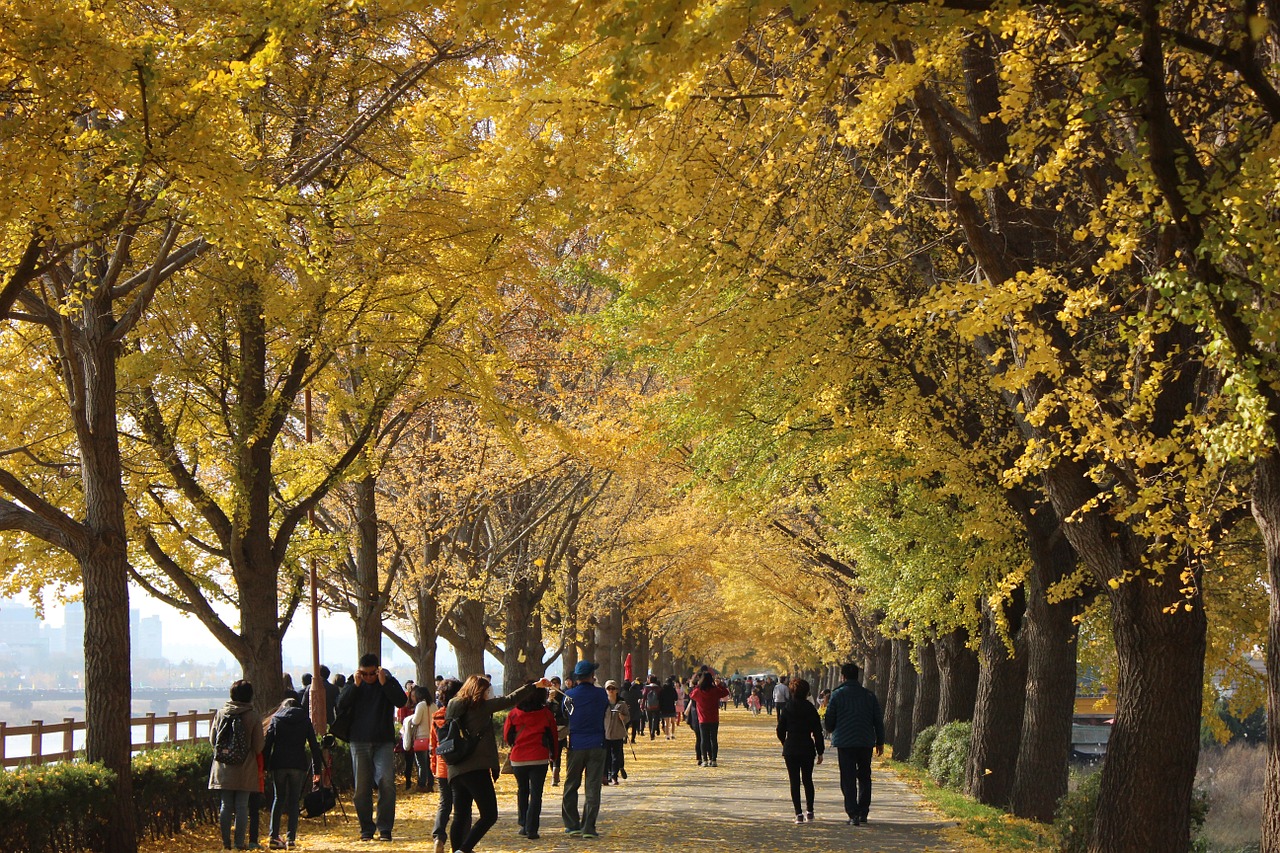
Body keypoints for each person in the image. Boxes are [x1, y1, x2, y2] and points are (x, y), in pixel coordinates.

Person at [445, 674, 554, 853]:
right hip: (475, 768)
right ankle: (463, 850)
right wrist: (536, 685)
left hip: (455, 767)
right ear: (480, 691)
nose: (489, 694)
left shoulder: (453, 706)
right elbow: (510, 699)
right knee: (489, 815)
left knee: (460, 815)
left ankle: (457, 849)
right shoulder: (480, 708)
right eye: (487, 690)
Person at [336, 653, 408, 842]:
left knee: (386, 782)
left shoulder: (388, 681)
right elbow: (340, 704)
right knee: (362, 787)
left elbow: (401, 701)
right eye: (364, 674)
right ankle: (366, 827)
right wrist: (355, 685)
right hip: (359, 740)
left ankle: (385, 827)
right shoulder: (354, 683)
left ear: (378, 670)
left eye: (371, 674)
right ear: (359, 671)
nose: (368, 678)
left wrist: (385, 683)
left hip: (383, 740)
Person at [824, 662, 885, 826]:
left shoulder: (837, 695)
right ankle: (863, 811)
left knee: (848, 777)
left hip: (845, 742)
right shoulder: (869, 695)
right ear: (857, 676)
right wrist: (880, 741)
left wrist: (829, 729)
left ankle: (852, 813)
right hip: (865, 741)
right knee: (865, 776)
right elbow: (878, 720)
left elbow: (829, 718)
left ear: (842, 676)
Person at [209, 679, 265, 852]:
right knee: (242, 806)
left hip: (223, 767)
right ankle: (239, 844)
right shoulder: (253, 716)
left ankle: (226, 844)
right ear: (250, 696)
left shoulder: (221, 713)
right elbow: (258, 746)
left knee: (225, 805)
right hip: (245, 768)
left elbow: (213, 740)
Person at [264, 697, 323, 848]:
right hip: (298, 764)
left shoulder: (276, 719)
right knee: (294, 801)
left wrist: (264, 767)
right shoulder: (304, 720)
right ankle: (291, 839)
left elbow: (268, 744)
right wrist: (317, 770)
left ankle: (274, 836)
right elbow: (314, 746)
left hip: (279, 763)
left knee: (278, 798)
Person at [561, 660, 609, 839]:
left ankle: (572, 824)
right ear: (591, 676)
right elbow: (605, 708)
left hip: (576, 743)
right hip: (597, 743)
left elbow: (566, 714)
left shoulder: (569, 695)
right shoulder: (600, 694)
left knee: (571, 784)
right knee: (593, 786)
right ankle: (588, 826)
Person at [503, 686, 559, 839]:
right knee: (536, 793)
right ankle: (532, 828)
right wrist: (554, 755)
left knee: (522, 790)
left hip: (519, 758)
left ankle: (522, 823)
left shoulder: (514, 714)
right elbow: (553, 736)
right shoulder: (546, 714)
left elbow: (507, 736)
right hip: (539, 757)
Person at [777, 678, 824, 823]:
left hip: (791, 746)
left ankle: (798, 814)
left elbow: (780, 729)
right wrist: (820, 750)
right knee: (807, 779)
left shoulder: (787, 708)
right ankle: (810, 811)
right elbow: (817, 731)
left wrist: (784, 742)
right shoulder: (810, 709)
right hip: (806, 746)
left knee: (794, 781)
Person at [429, 679, 464, 853]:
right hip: (460, 766)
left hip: (442, 766)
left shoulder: (437, 716)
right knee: (461, 806)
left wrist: (434, 766)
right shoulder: (463, 715)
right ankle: (461, 843)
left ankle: (439, 837)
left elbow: (433, 744)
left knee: (444, 804)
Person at [689, 671, 731, 766]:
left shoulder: (699, 691)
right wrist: (718, 685)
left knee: (704, 739)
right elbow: (725, 692)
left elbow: (691, 694)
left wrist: (696, 685)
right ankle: (713, 759)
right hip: (714, 718)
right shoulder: (715, 690)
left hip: (702, 719)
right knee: (713, 739)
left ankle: (705, 760)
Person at [402, 685, 435, 793]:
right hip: (431, 737)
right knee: (430, 762)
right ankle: (430, 784)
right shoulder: (434, 705)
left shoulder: (420, 705)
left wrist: (409, 719)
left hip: (421, 737)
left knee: (421, 763)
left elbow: (416, 721)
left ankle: (421, 784)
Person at [602, 680, 630, 784]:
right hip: (605, 734)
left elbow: (628, 717)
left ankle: (614, 775)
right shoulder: (603, 704)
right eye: (608, 689)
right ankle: (607, 775)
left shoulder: (622, 704)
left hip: (618, 734)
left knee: (616, 756)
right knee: (606, 756)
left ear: (617, 690)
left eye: (613, 688)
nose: (611, 691)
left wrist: (623, 717)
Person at [397, 681, 418, 790]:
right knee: (409, 760)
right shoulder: (405, 705)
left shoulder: (420, 705)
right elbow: (401, 719)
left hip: (418, 736)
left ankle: (420, 781)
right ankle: (408, 781)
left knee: (419, 760)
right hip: (408, 735)